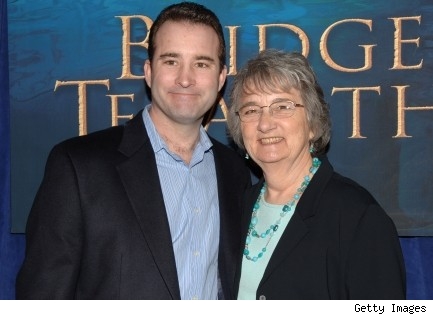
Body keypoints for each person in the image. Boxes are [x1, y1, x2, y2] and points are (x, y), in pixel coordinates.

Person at [16, 2, 251, 300]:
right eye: (171, 61)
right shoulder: (78, 167)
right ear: (149, 72)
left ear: (220, 78)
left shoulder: (235, 172)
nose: (185, 78)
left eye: (201, 63)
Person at [226, 49, 406, 300]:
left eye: (282, 106)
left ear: (312, 123)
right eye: (251, 110)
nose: (265, 124)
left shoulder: (358, 217)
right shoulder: (237, 208)